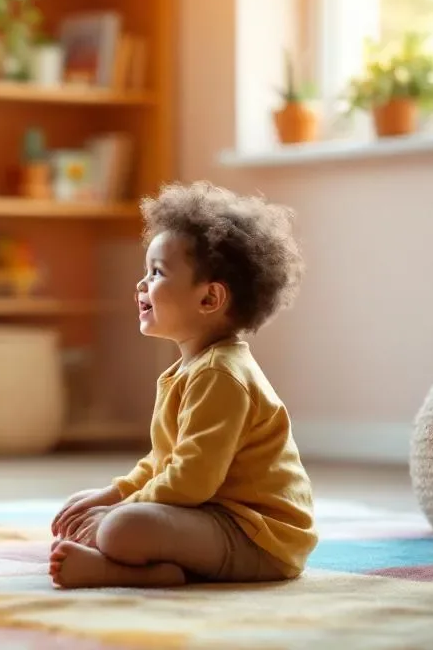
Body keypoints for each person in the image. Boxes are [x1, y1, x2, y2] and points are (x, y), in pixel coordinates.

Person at [48, 181, 317, 589]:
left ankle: (124, 570)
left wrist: (116, 513)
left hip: (261, 539)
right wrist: (112, 493)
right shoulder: (190, 370)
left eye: (156, 273)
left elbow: (190, 482)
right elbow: (162, 463)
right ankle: (158, 567)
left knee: (121, 528)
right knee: (102, 512)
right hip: (217, 517)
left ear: (209, 299)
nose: (141, 285)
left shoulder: (220, 375)